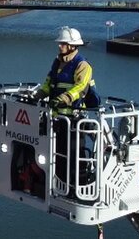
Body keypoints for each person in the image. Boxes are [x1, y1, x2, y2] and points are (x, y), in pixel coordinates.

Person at [34, 26, 96, 189]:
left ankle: (77, 186)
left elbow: (80, 87)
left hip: (74, 120)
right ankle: (61, 184)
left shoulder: (82, 65)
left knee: (74, 155)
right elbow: (49, 83)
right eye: (60, 43)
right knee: (59, 153)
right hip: (58, 119)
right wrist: (39, 94)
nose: (59, 46)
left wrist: (64, 98)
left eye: (62, 43)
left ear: (72, 46)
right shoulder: (57, 63)